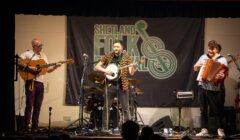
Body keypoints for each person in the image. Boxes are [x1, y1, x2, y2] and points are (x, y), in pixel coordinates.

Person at [19, 38, 61, 132]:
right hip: (31, 81)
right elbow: (18, 62)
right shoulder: (27, 53)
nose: (41, 47)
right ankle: (26, 127)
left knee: (38, 106)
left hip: (40, 83)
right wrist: (29, 67)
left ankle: (35, 127)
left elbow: (47, 70)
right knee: (29, 104)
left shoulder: (44, 56)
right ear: (33, 46)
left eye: (41, 45)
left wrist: (55, 67)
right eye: (39, 46)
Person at [94, 39, 135, 131]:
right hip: (110, 85)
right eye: (114, 46)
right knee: (106, 107)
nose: (115, 48)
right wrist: (105, 70)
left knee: (125, 108)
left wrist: (132, 67)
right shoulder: (108, 56)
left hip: (122, 85)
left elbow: (131, 73)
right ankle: (105, 128)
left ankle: (128, 129)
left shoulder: (127, 57)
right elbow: (97, 66)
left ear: (122, 47)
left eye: (117, 46)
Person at [193, 40, 228, 137]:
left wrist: (221, 76)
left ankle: (220, 129)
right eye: (209, 49)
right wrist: (197, 66)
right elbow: (195, 68)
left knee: (217, 110)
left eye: (212, 49)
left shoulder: (222, 59)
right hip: (202, 87)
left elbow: (224, 73)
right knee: (203, 109)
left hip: (215, 89)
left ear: (216, 49)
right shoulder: (203, 57)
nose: (210, 51)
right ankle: (204, 129)